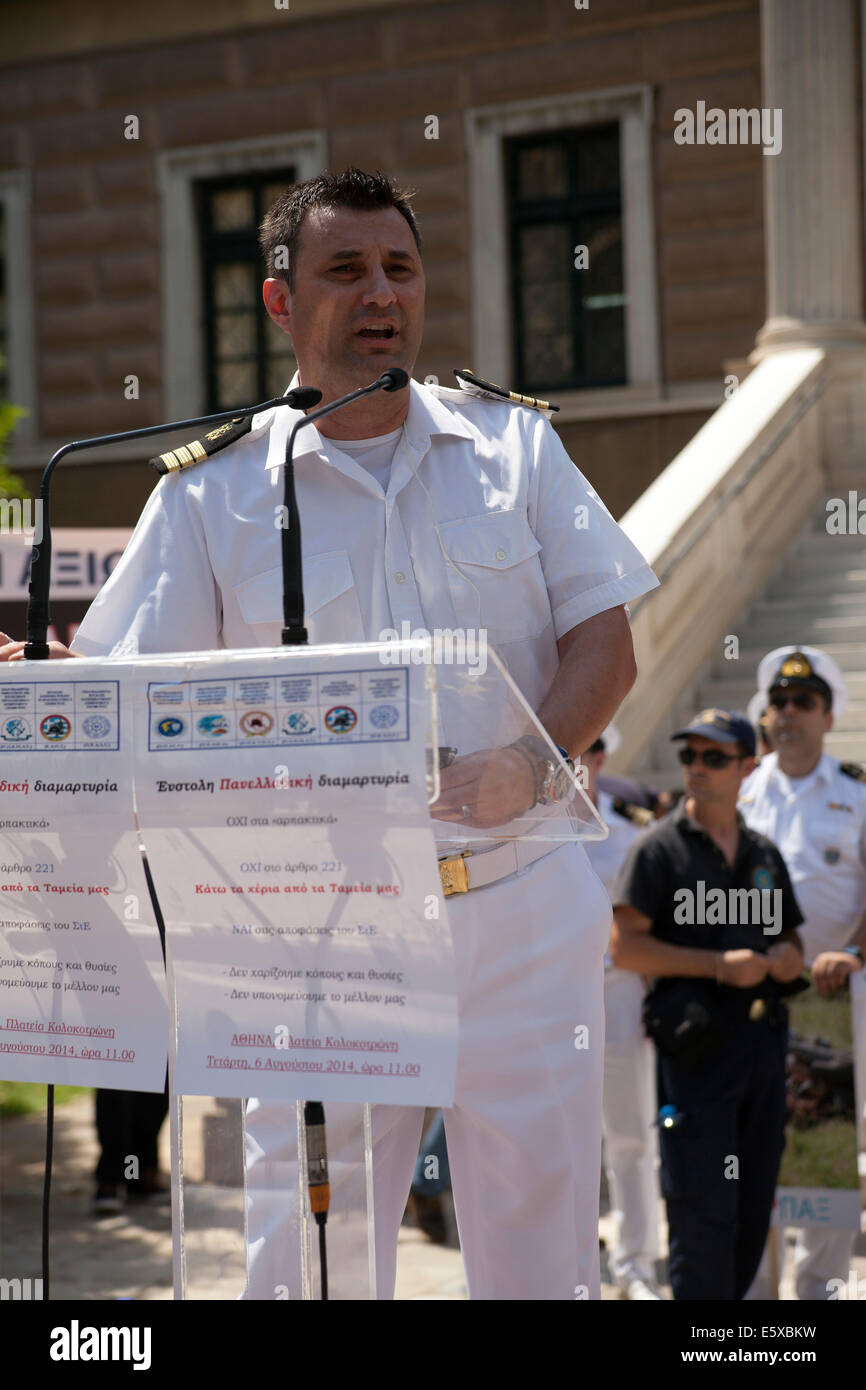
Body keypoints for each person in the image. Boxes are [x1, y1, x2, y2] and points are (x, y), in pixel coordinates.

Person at [0, 169, 658, 1300]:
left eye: (399, 269)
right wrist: (35, 690)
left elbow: (604, 639)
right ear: (276, 302)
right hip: (321, 930)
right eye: (344, 270)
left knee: (543, 1240)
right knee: (310, 1258)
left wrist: (529, 757)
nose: (379, 295)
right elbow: (127, 694)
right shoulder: (211, 497)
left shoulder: (514, 449)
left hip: (519, 905)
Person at [611, 709, 805, 1300]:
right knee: (700, 1212)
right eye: (689, 756)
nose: (697, 768)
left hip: (762, 1057)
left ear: (748, 767)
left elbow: (790, 934)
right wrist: (718, 967)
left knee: (750, 1211)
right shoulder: (658, 850)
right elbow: (625, 950)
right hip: (697, 1059)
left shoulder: (762, 851)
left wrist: (790, 957)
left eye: (714, 758)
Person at [738, 647, 866, 1300]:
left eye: (803, 703)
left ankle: (822, 1291)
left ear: (829, 715)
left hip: (832, 997)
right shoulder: (739, 788)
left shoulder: (856, 793)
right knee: (752, 1147)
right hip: (749, 997)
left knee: (823, 1146)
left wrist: (857, 953)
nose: (787, 713)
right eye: (778, 703)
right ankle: (757, 1298)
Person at [582, 725, 661, 1300]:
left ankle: (635, 1264)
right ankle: (569, 1261)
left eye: (584, 748)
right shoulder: (519, 819)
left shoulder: (632, 829)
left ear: (602, 754)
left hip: (618, 990)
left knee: (630, 1135)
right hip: (539, 996)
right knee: (548, 1133)